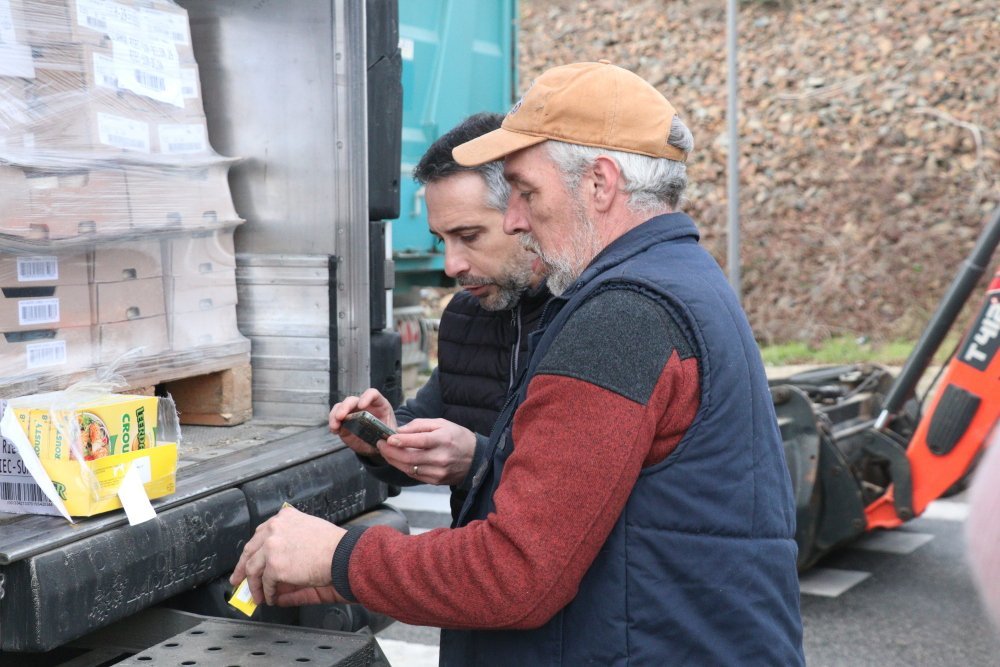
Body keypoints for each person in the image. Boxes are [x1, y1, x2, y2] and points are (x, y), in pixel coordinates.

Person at [231, 61, 805, 665]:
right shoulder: (676, 282)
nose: (514, 218)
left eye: (526, 192)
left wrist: (340, 555)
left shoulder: (623, 318)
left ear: (600, 183)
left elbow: (516, 573)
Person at [331, 112, 549, 516]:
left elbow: (574, 493)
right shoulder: (466, 316)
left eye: (468, 236)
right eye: (441, 239)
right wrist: (386, 438)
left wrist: (475, 462)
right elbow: (432, 425)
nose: (451, 266)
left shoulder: (590, 318)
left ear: (524, 212)